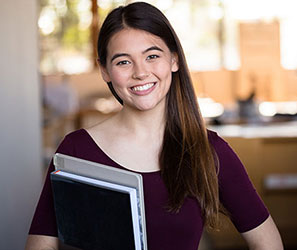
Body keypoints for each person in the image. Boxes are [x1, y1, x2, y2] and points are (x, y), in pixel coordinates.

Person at [25, 2, 283, 250]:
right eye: (123, 61)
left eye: (152, 56)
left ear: (174, 60)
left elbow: (267, 241)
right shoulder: (76, 150)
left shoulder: (209, 150)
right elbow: (41, 243)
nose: (140, 72)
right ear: (105, 70)